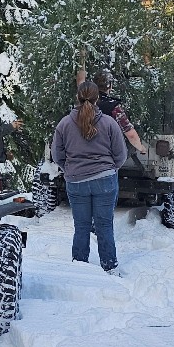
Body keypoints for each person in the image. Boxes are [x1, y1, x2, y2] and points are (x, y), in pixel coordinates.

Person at [51, 81, 127, 275]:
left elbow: (57, 155)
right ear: (98, 99)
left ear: (77, 98)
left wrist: (70, 169)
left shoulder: (64, 124)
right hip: (105, 180)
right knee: (104, 225)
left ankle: (79, 267)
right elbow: (120, 154)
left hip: (76, 182)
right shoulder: (109, 123)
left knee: (81, 226)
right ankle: (110, 267)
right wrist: (109, 169)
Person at [78, 69, 147, 154]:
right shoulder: (114, 108)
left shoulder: (84, 102)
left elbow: (80, 85)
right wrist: (141, 148)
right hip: (104, 155)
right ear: (110, 86)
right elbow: (130, 134)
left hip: (82, 153)